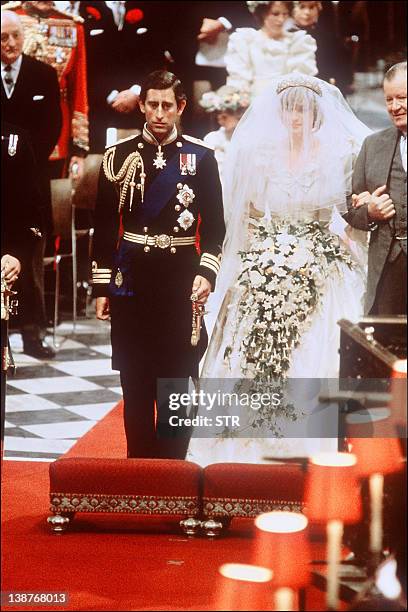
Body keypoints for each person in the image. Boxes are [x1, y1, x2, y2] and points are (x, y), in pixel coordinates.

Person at [187, 73, 370, 466]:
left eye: (303, 108)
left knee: (322, 344)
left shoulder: (338, 153)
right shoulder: (261, 154)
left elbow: (346, 214)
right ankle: (250, 439)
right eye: (289, 108)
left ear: (317, 113)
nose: (296, 116)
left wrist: (338, 249)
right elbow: (248, 216)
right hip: (268, 257)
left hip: (319, 257)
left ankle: (313, 441)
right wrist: (260, 259)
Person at [92, 70, 225, 459]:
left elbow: (216, 228)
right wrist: (101, 287)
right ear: (142, 105)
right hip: (130, 282)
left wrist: (206, 273)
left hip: (178, 282)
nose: (160, 114)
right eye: (153, 104)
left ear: (181, 107)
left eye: (168, 105)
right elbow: (102, 229)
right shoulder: (118, 157)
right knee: (134, 382)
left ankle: (172, 473)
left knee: (175, 382)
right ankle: (139, 472)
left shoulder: (201, 158)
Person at [1, 10, 61, 358]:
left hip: (32, 185)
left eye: (14, 36)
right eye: (3, 38)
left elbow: (51, 126)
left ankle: (33, 332)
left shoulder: (44, 75)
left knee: (30, 259)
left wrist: (20, 159)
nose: (9, 44)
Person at [346, 62, 407, 316]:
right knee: (387, 347)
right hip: (388, 267)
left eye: (402, 98)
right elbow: (348, 206)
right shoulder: (373, 145)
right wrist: (369, 212)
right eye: (389, 99)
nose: (395, 107)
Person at [3, 0, 89, 179]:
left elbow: (79, 90)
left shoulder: (73, 26)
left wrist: (79, 148)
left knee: (48, 201)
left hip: (55, 135)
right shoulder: (6, 18)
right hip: (8, 127)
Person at [225, 1, 317, 98]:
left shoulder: (296, 41)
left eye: (285, 14)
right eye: (275, 14)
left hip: (285, 99)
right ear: (262, 14)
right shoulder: (246, 39)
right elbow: (240, 77)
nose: (281, 19)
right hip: (254, 99)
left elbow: (300, 78)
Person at [289, 0, 353, 95]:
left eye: (311, 8)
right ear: (292, 9)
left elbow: (341, 70)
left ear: (318, 9)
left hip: (323, 90)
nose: (307, 13)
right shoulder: (285, 37)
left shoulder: (328, 38)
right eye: (302, 7)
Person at [200, 84, 251, 184]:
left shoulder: (249, 139)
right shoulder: (212, 139)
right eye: (218, 116)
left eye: (224, 117)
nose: (220, 121)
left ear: (238, 115)